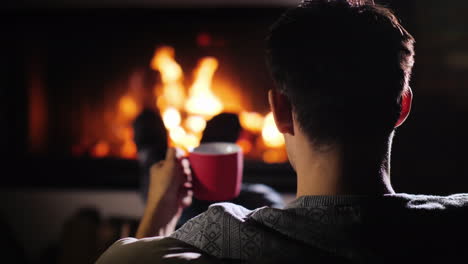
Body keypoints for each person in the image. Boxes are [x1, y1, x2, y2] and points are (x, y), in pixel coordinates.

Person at [96, 1, 468, 263]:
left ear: (280, 111)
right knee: (260, 194)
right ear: (402, 107)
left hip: (251, 218)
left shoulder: (219, 234)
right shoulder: (454, 223)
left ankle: (152, 156)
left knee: (249, 197)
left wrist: (159, 216)